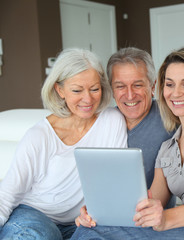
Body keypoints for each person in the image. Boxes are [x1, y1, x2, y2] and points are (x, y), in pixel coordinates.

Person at [71, 47, 184, 240]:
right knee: (88, 231)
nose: (176, 93)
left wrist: (167, 219)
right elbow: (148, 204)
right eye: (169, 85)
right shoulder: (167, 149)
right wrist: (98, 212)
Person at [0, 48, 128, 239]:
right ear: (60, 90)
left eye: (94, 89)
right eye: (77, 90)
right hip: (34, 215)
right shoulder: (40, 135)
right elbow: (7, 194)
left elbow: (115, 179)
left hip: (84, 221)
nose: (88, 98)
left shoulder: (112, 120)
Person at [74, 47, 175, 228]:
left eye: (137, 85)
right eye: (120, 86)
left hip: (151, 222)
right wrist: (86, 213)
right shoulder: (101, 122)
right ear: (111, 90)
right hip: (105, 219)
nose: (129, 95)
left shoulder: (171, 116)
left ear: (152, 86)